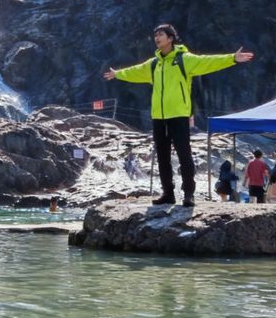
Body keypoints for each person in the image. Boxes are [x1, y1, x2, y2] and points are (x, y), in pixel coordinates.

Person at [103, 23, 254, 207]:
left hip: (179, 115)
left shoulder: (184, 59)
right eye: (155, 35)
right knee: (162, 157)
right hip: (159, 117)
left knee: (184, 155)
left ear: (170, 38)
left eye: (161, 34)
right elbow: (135, 71)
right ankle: (168, 194)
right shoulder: (154, 64)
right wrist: (118, 74)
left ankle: (188, 194)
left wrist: (232, 58)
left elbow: (208, 62)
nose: (157, 38)